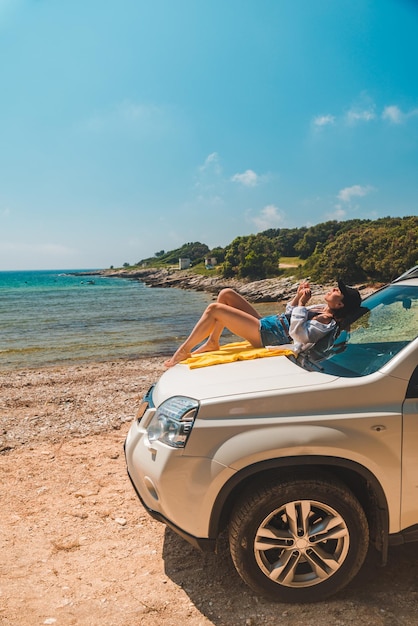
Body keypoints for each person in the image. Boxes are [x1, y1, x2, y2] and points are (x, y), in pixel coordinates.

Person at [164, 279, 362, 367]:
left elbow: (299, 335)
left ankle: (183, 350)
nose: (333, 290)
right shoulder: (319, 308)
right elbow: (289, 313)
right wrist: (297, 297)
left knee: (215, 310)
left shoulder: (325, 321)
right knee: (225, 294)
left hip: (269, 336)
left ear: (340, 304)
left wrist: (302, 304)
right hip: (269, 324)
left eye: (337, 291)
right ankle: (212, 342)